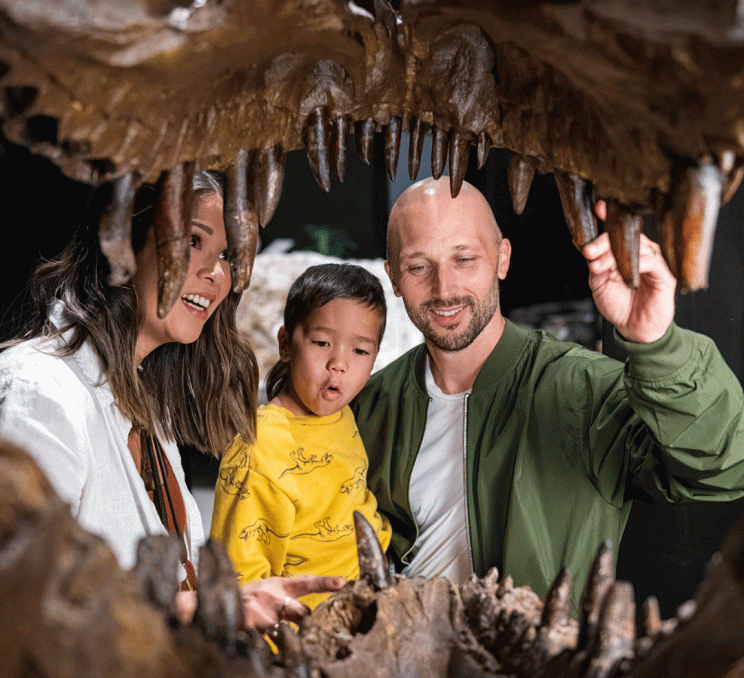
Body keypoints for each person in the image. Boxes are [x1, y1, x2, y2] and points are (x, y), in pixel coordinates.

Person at [351, 176, 744, 614]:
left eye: (464, 258)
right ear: (394, 277)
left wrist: (655, 342)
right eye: (419, 266)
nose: (445, 289)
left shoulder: (582, 389)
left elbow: (723, 465)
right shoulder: (367, 408)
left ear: (502, 258)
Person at [0, 170, 343, 629]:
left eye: (225, 254)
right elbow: (22, 599)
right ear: (121, 244)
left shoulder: (146, 407)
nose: (215, 272)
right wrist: (210, 607)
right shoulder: (39, 388)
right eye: (193, 243)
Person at [210, 263, 392, 610]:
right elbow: (241, 575)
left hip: (372, 593)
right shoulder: (260, 449)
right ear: (286, 344)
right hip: (309, 623)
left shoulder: (343, 414)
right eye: (322, 342)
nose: (339, 363)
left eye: (360, 351)